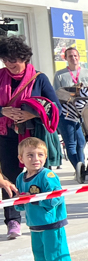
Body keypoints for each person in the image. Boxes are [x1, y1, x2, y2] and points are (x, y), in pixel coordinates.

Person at [1, 36, 60, 240]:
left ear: (24, 58)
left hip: (34, 136)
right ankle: (13, 220)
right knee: (9, 177)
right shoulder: (0, 76)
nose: (10, 64)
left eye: (14, 60)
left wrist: (33, 114)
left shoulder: (39, 78)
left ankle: (46, 213)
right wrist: (3, 111)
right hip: (7, 135)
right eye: (6, 60)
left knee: (41, 174)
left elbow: (55, 107)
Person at [14, 137, 79, 261]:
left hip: (52, 223)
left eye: (40, 155)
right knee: (40, 255)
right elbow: (20, 205)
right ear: (21, 159)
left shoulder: (47, 175)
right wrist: (19, 200)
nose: (36, 159)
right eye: (30, 155)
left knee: (55, 253)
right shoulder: (20, 178)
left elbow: (56, 198)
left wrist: (35, 199)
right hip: (35, 224)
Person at [53, 46, 88, 172]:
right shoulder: (60, 75)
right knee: (71, 144)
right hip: (66, 113)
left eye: (75, 55)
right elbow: (56, 94)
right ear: (65, 58)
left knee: (81, 142)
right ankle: (80, 171)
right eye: (70, 56)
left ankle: (81, 169)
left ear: (79, 57)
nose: (73, 58)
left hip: (84, 113)